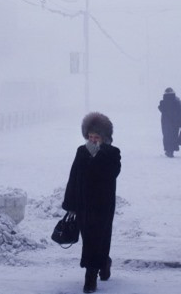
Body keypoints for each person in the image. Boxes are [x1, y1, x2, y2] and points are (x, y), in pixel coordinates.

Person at [62, 112, 121, 293]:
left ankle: (90, 277)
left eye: (97, 137)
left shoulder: (112, 153)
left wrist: (99, 155)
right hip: (83, 205)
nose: (93, 140)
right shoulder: (81, 151)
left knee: (99, 237)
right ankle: (103, 263)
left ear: (105, 137)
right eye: (90, 136)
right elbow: (73, 177)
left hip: (103, 205)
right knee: (89, 239)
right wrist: (70, 204)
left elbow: (112, 173)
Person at [158, 88, 181, 157]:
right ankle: (171, 151)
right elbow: (180, 113)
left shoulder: (163, 102)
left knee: (166, 136)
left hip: (165, 123)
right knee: (174, 136)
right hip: (175, 123)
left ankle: (168, 150)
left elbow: (160, 108)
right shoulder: (176, 102)